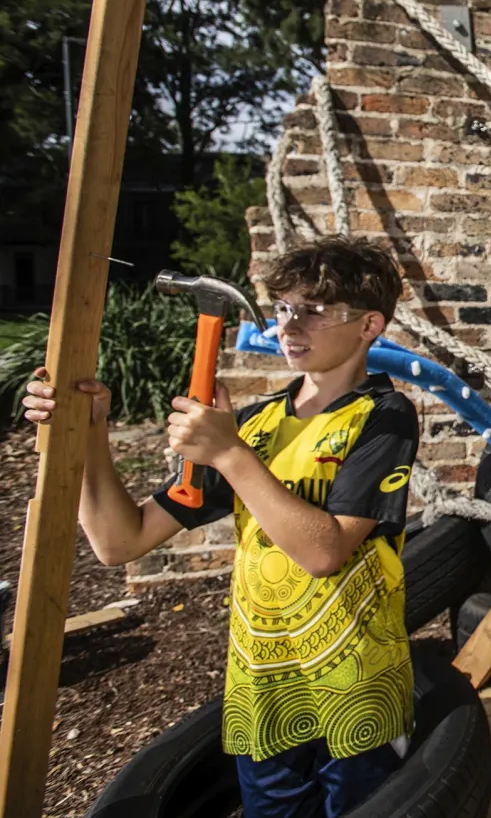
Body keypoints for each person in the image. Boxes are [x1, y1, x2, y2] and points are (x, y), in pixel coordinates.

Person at [22, 237, 418, 818]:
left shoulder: (384, 416)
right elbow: (120, 540)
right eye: (283, 308)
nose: (289, 326)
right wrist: (88, 433)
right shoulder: (253, 425)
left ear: (369, 325)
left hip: (357, 683)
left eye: (314, 310)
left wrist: (230, 454)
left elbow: (325, 552)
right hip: (261, 686)